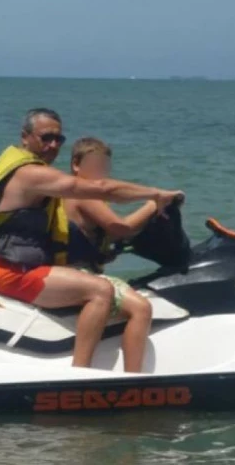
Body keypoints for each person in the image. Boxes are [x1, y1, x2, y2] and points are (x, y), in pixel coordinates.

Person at [0, 108, 184, 370]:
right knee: (101, 291)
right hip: (6, 272)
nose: (53, 145)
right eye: (46, 138)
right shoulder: (30, 174)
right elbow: (103, 190)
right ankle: (81, 371)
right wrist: (155, 196)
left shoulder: (18, 167)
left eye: (58, 139)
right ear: (25, 137)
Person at [63, 137, 169, 372]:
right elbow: (121, 228)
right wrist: (154, 205)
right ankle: (133, 377)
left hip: (75, 267)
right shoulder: (84, 194)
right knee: (141, 308)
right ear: (76, 165)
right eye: (94, 166)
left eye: (104, 166)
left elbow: (97, 236)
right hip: (78, 272)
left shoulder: (70, 192)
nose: (100, 172)